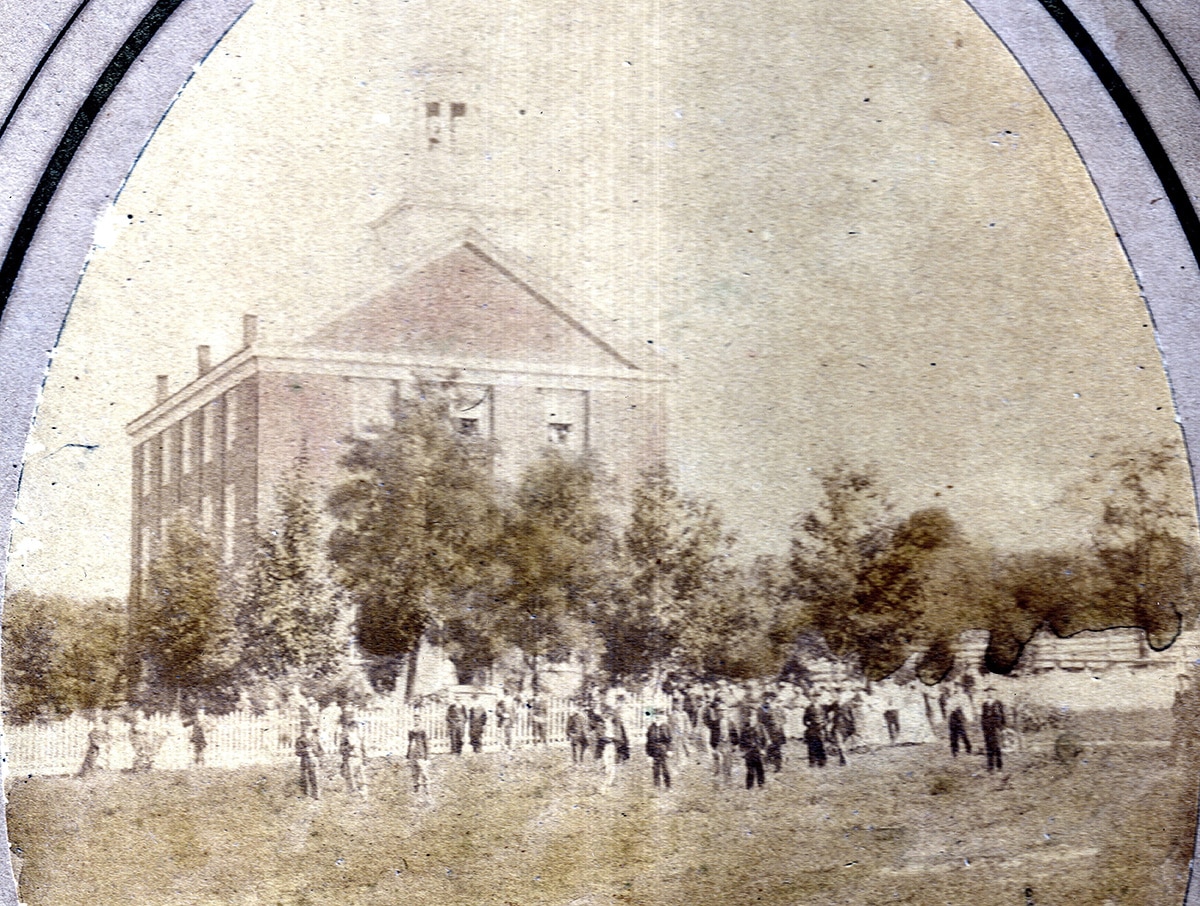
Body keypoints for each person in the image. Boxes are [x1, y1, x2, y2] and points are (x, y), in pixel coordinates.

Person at [339, 709, 368, 797]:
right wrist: (348, 748)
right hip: (350, 757)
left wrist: (365, 758)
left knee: (361, 775)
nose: (354, 727)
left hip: (359, 757)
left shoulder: (359, 736)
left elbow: (363, 747)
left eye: (355, 726)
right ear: (348, 727)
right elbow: (341, 749)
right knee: (351, 775)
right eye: (352, 726)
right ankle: (353, 792)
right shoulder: (345, 737)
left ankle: (362, 792)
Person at [645, 708, 673, 790]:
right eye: (656, 716)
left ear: (663, 717)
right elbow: (648, 741)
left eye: (660, 716)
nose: (658, 718)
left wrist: (669, 750)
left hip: (663, 750)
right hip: (654, 750)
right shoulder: (651, 727)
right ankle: (657, 786)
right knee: (655, 769)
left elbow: (670, 740)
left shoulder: (667, 727)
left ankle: (668, 786)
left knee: (665, 768)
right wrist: (649, 754)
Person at [740, 710, 768, 789]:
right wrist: (743, 751)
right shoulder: (745, 728)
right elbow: (741, 741)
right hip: (749, 752)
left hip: (758, 751)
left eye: (754, 716)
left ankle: (761, 784)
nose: (752, 718)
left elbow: (766, 739)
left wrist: (763, 749)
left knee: (760, 769)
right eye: (751, 717)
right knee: (750, 770)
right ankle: (749, 786)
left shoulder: (761, 726)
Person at [980, 688, 1006, 772]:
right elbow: (983, 717)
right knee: (988, 746)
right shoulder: (984, 704)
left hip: (996, 727)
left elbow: (1003, 715)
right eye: (988, 692)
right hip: (987, 728)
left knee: (997, 746)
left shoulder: (998, 703)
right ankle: (990, 767)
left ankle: (999, 766)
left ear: (994, 692)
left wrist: (1003, 727)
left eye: (991, 692)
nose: (990, 693)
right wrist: (983, 727)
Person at [407, 705, 431, 795]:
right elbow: (409, 742)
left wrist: (427, 756)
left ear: (420, 720)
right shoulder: (411, 730)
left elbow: (426, 743)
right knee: (414, 771)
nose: (416, 721)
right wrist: (408, 754)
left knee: (424, 771)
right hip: (413, 753)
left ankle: (427, 788)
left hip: (421, 753)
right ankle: (415, 788)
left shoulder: (422, 730)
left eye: (418, 719)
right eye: (414, 719)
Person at [296, 721, 322, 799]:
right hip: (304, 760)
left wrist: (316, 753)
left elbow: (321, 751)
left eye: (308, 727)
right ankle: (305, 795)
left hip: (314, 760)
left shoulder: (315, 738)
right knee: (304, 778)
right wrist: (305, 751)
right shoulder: (300, 739)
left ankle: (316, 795)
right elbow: (297, 752)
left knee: (315, 778)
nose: (305, 729)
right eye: (304, 727)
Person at [947, 682, 974, 758]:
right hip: (953, 716)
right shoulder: (953, 697)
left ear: (962, 688)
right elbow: (948, 706)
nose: (958, 689)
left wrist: (968, 717)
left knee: (963, 733)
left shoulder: (964, 697)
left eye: (960, 687)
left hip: (961, 715)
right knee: (953, 734)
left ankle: (968, 747)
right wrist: (951, 707)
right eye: (957, 687)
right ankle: (955, 751)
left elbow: (967, 707)